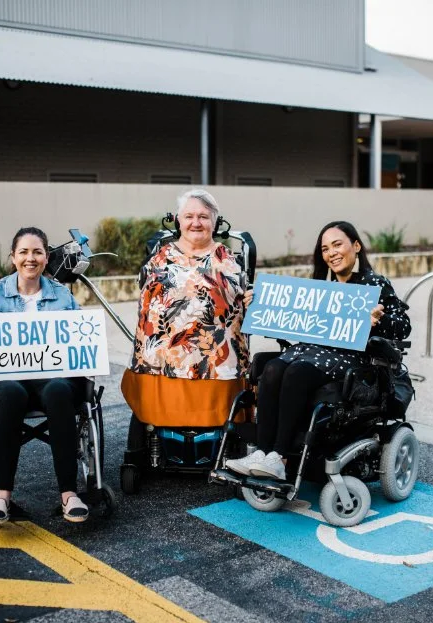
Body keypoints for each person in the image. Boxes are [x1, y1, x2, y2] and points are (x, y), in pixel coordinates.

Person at [225, 220, 411, 481]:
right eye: (325, 249)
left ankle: (279, 456)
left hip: (350, 356)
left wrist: (379, 321)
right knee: (272, 367)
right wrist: (259, 305)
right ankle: (263, 453)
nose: (331, 253)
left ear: (356, 246)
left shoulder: (374, 285)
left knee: (297, 372)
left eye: (337, 245)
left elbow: (403, 327)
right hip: (311, 350)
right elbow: (291, 321)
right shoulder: (320, 288)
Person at [0, 227, 90, 526]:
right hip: (5, 379)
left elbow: (82, 337)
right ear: (13, 257)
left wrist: (88, 349)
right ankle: (2, 496)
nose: (31, 258)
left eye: (37, 252)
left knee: (57, 391)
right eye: (24, 252)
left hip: (53, 378)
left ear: (46, 257)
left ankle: (69, 494)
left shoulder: (62, 296)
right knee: (13, 394)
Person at [121, 189, 252, 427]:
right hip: (160, 366)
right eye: (189, 216)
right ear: (178, 220)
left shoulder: (232, 262)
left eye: (203, 216)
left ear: (215, 221)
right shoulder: (158, 259)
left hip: (218, 367)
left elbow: (247, 308)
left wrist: (253, 301)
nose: (196, 222)